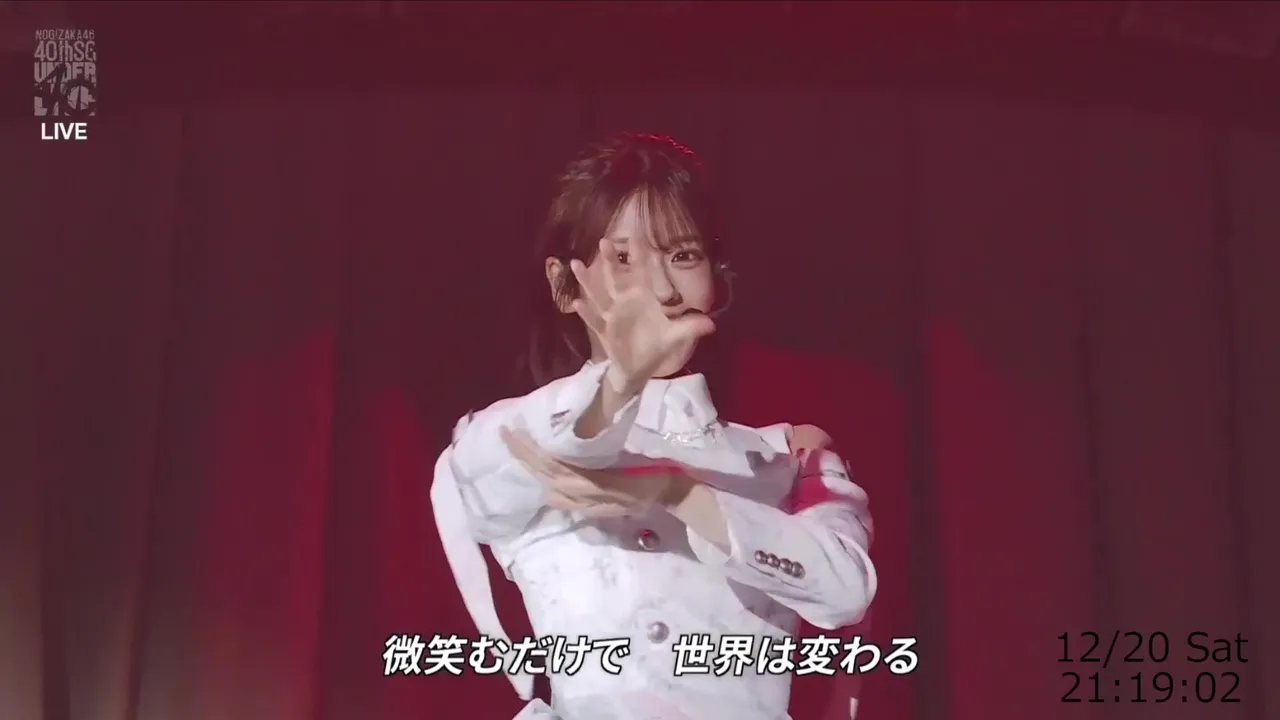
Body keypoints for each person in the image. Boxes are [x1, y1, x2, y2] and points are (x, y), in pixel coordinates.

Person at [430, 132, 876, 720]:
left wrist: (678, 493)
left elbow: (844, 591)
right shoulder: (509, 434)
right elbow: (494, 483)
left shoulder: (785, 457)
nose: (663, 290)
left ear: (718, 279)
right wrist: (620, 380)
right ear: (565, 284)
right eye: (624, 259)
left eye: (683, 256)